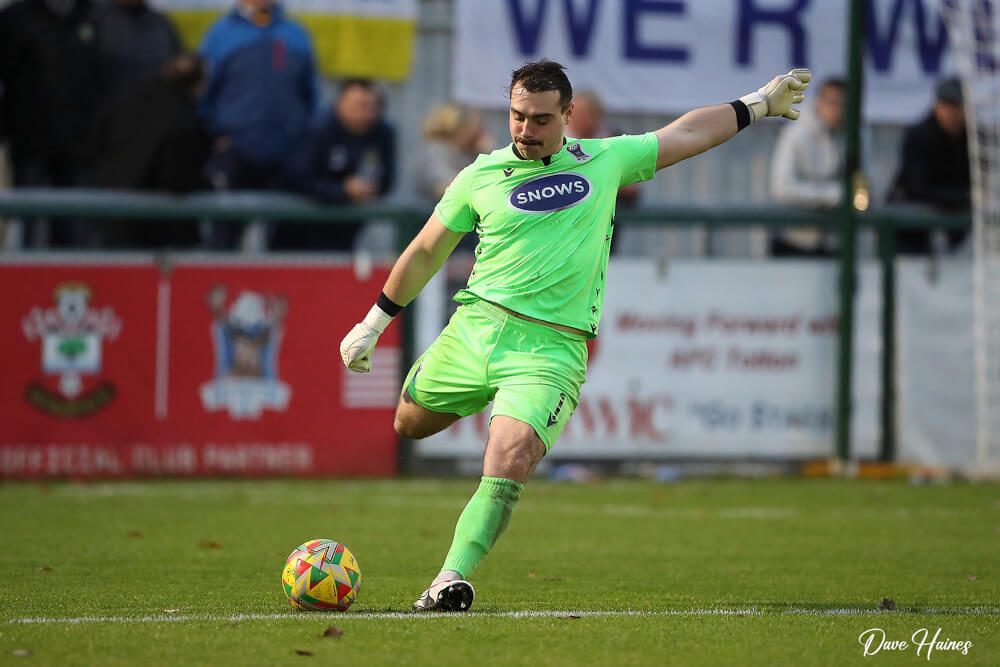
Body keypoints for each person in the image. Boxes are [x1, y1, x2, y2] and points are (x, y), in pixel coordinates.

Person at [339, 60, 810, 612]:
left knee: (509, 457)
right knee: (409, 424)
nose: (525, 130)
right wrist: (373, 324)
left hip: (549, 350)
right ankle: (478, 397)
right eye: (517, 116)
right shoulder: (479, 176)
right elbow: (424, 251)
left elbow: (684, 133)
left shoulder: (604, 160)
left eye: (540, 119)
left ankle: (449, 579)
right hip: (474, 330)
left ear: (567, 116)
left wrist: (755, 105)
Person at [198, 0, 319, 247]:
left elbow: (311, 96)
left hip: (286, 158)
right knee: (224, 239)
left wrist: (302, 141)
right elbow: (202, 95)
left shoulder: (295, 33)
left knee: (288, 242)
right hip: (234, 156)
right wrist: (214, 136)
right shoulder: (220, 34)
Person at [0, 0, 104, 246]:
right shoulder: (15, 18)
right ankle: (24, 280)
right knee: (27, 226)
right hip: (29, 146)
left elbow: (105, 80)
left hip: (80, 146)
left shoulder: (94, 15)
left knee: (74, 229)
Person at [84, 53, 209, 247]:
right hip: (150, 232)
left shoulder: (127, 97)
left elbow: (95, 142)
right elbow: (176, 180)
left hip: (103, 212)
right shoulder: (184, 121)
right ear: (199, 85)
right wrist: (210, 186)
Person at [273, 79, 396, 251]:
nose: (365, 113)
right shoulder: (317, 130)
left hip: (346, 234)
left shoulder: (383, 134)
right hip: (299, 232)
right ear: (340, 104)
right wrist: (342, 190)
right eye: (358, 106)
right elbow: (296, 178)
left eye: (371, 107)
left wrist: (369, 189)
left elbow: (386, 180)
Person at [889, 77, 971, 254]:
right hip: (913, 226)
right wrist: (964, 197)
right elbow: (916, 187)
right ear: (937, 105)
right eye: (946, 105)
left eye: (956, 106)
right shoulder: (920, 134)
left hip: (957, 229)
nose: (951, 113)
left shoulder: (971, 138)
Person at [769, 76, 845, 257]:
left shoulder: (854, 136)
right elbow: (782, 188)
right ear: (819, 102)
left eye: (844, 104)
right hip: (793, 240)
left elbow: (864, 187)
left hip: (833, 241)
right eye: (833, 102)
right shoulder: (796, 134)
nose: (838, 110)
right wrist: (832, 195)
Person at [565, 89, 640, 209]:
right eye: (575, 116)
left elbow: (632, 189)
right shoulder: (559, 143)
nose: (578, 122)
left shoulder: (615, 139)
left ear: (597, 116)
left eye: (584, 116)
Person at [413, 103, 492, 202]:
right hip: (428, 213)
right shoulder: (436, 151)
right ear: (459, 129)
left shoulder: (470, 152)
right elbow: (445, 188)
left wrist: (489, 153)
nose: (479, 132)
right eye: (475, 127)